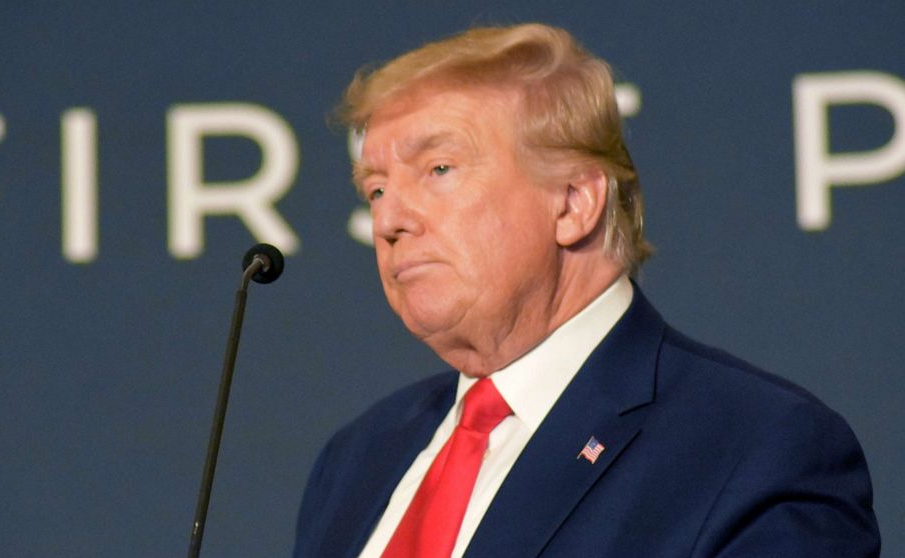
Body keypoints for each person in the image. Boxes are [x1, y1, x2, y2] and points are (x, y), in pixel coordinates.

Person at [294, 23, 880, 557]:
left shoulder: (755, 448)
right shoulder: (357, 460)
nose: (389, 219)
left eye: (439, 170)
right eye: (374, 190)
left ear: (575, 202)